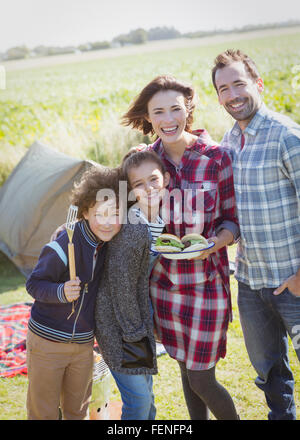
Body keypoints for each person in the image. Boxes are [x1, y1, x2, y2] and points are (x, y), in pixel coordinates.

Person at [121, 75, 240, 420]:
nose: (168, 118)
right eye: (159, 111)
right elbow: (126, 220)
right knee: (186, 372)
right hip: (162, 285)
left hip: (206, 284)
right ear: (148, 116)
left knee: (202, 377)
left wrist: (217, 242)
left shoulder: (217, 157)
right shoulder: (142, 162)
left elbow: (232, 220)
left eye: (176, 108)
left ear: (188, 109)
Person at [212, 49, 300, 420]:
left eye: (239, 84)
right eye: (223, 88)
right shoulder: (227, 144)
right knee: (270, 374)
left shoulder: (287, 136)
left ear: (258, 84)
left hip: (293, 280)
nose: (233, 94)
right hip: (249, 284)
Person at [25, 166, 121, 420]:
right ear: (86, 210)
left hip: (83, 346)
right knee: (43, 412)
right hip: (47, 343)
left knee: (77, 412)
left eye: (115, 214)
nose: (108, 221)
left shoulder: (107, 246)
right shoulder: (62, 244)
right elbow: (34, 284)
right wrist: (60, 291)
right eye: (101, 214)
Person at [95, 149, 170, 420]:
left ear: (167, 180)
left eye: (153, 180)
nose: (148, 189)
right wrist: (135, 334)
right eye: (138, 184)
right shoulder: (132, 227)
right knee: (138, 400)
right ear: (129, 191)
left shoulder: (160, 220)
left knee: (147, 399)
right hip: (119, 324)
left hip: (139, 319)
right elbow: (121, 285)